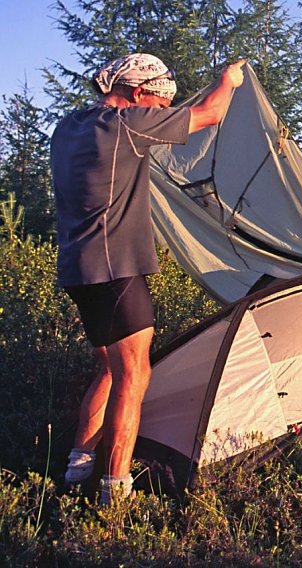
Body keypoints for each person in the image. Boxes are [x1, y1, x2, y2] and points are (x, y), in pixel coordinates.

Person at [51, 53, 246, 505]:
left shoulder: (69, 127)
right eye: (159, 104)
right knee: (134, 376)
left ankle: (76, 469)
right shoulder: (129, 122)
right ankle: (114, 493)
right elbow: (213, 113)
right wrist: (228, 79)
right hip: (116, 268)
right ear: (138, 94)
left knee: (110, 367)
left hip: (78, 270)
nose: (161, 114)